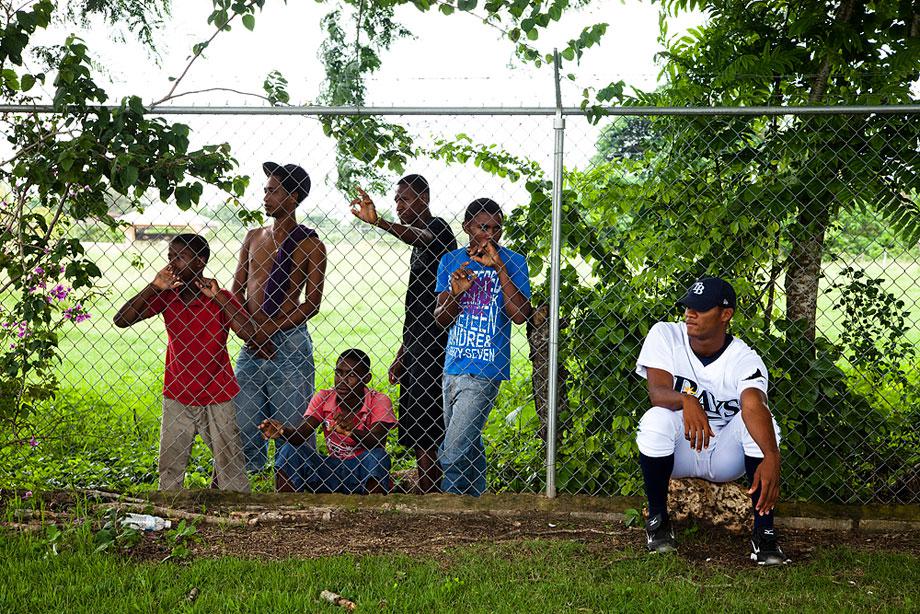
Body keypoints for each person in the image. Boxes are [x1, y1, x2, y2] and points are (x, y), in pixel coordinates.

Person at [635, 276, 789, 565]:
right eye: (688, 306)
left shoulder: (744, 358)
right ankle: (658, 522)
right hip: (681, 447)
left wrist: (772, 456)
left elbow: (754, 405)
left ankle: (764, 534)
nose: (689, 314)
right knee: (654, 420)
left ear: (725, 315)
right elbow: (657, 393)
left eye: (701, 308)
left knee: (763, 423)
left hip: (723, 455)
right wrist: (686, 400)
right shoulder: (666, 334)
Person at [113, 234, 251, 492]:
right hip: (178, 391)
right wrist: (154, 286)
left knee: (229, 460)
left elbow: (248, 333)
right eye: (170, 257)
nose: (173, 264)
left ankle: (237, 509)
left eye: (180, 257)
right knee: (170, 464)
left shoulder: (220, 297)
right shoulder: (168, 296)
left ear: (200, 262)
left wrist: (218, 298)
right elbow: (122, 319)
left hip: (218, 393)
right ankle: (170, 508)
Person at [349, 175, 457, 493]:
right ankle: (428, 486)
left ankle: (431, 489)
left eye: (405, 199)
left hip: (437, 345)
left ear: (424, 198)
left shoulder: (437, 230)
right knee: (415, 417)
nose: (399, 205)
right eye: (397, 200)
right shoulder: (418, 243)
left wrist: (379, 222)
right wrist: (402, 352)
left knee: (428, 419)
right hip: (417, 344)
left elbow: (420, 237)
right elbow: (415, 308)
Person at [232, 162, 327, 473]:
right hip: (252, 341)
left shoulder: (311, 244)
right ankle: (249, 479)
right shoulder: (253, 237)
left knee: (292, 421)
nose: (265, 197)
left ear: (293, 196)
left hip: (288, 343)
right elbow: (236, 294)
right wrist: (249, 333)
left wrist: (268, 329)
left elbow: (311, 304)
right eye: (265, 191)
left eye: (273, 191)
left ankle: (295, 479)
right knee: (244, 419)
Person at [433, 198, 532, 496]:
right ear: (467, 227)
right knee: (468, 442)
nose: (491, 235)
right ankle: (476, 503)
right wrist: (454, 293)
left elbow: (519, 315)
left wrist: (499, 267)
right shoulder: (450, 261)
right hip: (454, 365)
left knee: (453, 450)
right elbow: (440, 319)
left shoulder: (514, 261)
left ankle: (449, 506)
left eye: (497, 228)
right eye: (483, 227)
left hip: (486, 367)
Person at [258, 349, 396, 494]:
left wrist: (352, 432)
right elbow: (301, 435)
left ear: (366, 378)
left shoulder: (378, 400)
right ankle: (288, 509)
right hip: (329, 470)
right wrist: (282, 431)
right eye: (339, 373)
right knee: (289, 451)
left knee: (378, 456)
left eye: (352, 375)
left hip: (363, 470)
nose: (342, 380)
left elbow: (376, 439)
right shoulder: (325, 397)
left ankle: (374, 511)